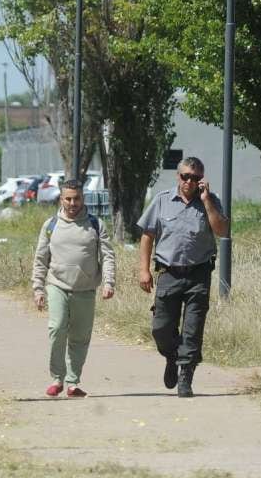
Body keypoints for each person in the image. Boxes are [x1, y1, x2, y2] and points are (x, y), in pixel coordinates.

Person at [136, 157, 229, 398]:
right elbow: (147, 235)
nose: (190, 181)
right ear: (178, 176)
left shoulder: (210, 200)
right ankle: (172, 356)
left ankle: (186, 377)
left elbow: (222, 231)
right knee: (161, 329)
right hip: (169, 273)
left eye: (196, 177)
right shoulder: (162, 200)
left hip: (199, 274)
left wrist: (207, 202)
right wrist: (144, 270)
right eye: (186, 176)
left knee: (193, 329)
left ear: (202, 180)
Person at [32, 179, 116, 397]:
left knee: (80, 337)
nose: (72, 203)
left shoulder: (96, 224)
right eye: (68, 198)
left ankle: (72, 382)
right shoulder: (51, 225)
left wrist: (109, 282)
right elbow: (40, 258)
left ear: (83, 198)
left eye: (76, 198)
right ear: (61, 199)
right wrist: (38, 289)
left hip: (85, 289)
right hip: (57, 285)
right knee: (57, 328)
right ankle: (56, 378)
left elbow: (107, 256)